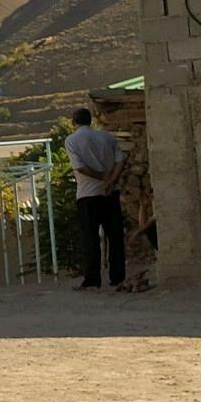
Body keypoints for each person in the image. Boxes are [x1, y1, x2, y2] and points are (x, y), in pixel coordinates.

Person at [65, 107, 126, 290]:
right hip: (110, 193)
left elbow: (80, 168)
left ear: (73, 122)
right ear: (90, 120)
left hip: (87, 194)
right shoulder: (107, 137)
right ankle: (117, 277)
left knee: (90, 238)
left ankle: (92, 278)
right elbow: (120, 161)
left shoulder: (72, 140)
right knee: (115, 237)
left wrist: (102, 177)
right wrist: (111, 180)